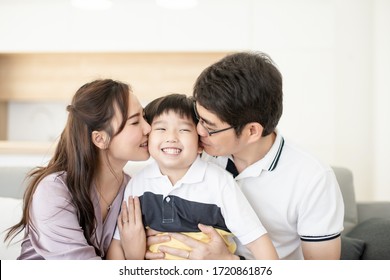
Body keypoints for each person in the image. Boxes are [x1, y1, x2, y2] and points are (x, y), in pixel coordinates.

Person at [146, 51, 345, 260]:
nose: (199, 131)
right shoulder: (195, 153)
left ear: (252, 131)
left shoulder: (312, 179)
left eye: (210, 126)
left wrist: (230, 263)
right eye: (198, 118)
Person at [107, 93, 278, 260]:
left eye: (183, 129)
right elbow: (119, 243)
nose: (171, 137)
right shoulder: (137, 184)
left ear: (200, 144)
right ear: (147, 138)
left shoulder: (219, 182)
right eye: (161, 128)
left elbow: (257, 241)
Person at [4, 79, 151, 259]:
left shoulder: (135, 189)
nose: (148, 128)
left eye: (144, 117)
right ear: (100, 139)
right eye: (135, 122)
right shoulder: (54, 191)